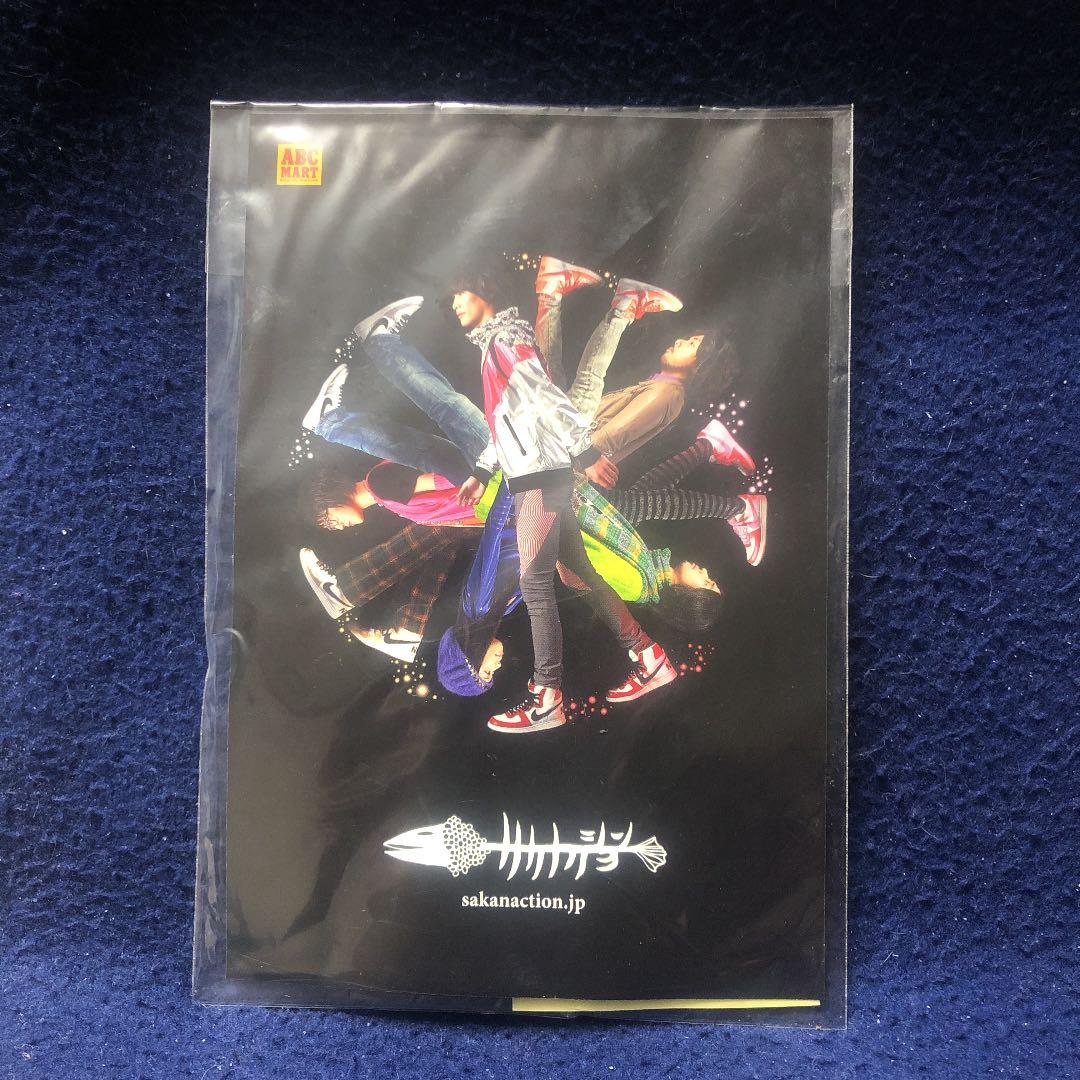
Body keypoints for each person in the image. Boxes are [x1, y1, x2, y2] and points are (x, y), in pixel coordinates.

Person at [451, 267, 680, 733]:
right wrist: (481, 471)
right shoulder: (498, 342)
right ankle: (650, 657)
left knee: (536, 585)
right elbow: (506, 419)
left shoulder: (504, 341)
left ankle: (547, 696)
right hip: (537, 473)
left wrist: (586, 451)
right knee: (578, 574)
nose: (454, 304)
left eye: (460, 293)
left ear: (484, 292)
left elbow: (543, 399)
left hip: (538, 477)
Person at [533, 255, 736, 463]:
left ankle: (625, 304)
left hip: (574, 446)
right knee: (551, 377)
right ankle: (552, 290)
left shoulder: (669, 393)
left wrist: (587, 459)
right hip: (568, 447)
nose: (679, 341)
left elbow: (610, 438)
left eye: (691, 344)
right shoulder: (662, 388)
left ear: (701, 367)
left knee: (587, 380)